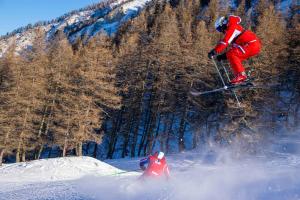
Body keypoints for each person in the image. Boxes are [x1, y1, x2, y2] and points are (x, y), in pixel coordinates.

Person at [208, 15, 261, 85]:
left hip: (250, 44)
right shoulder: (233, 28)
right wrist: (223, 56)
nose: (221, 31)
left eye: (219, 29)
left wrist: (215, 51)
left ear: (223, 24)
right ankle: (241, 78)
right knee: (233, 55)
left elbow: (225, 41)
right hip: (251, 45)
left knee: (232, 54)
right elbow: (234, 49)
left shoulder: (232, 27)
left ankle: (241, 75)